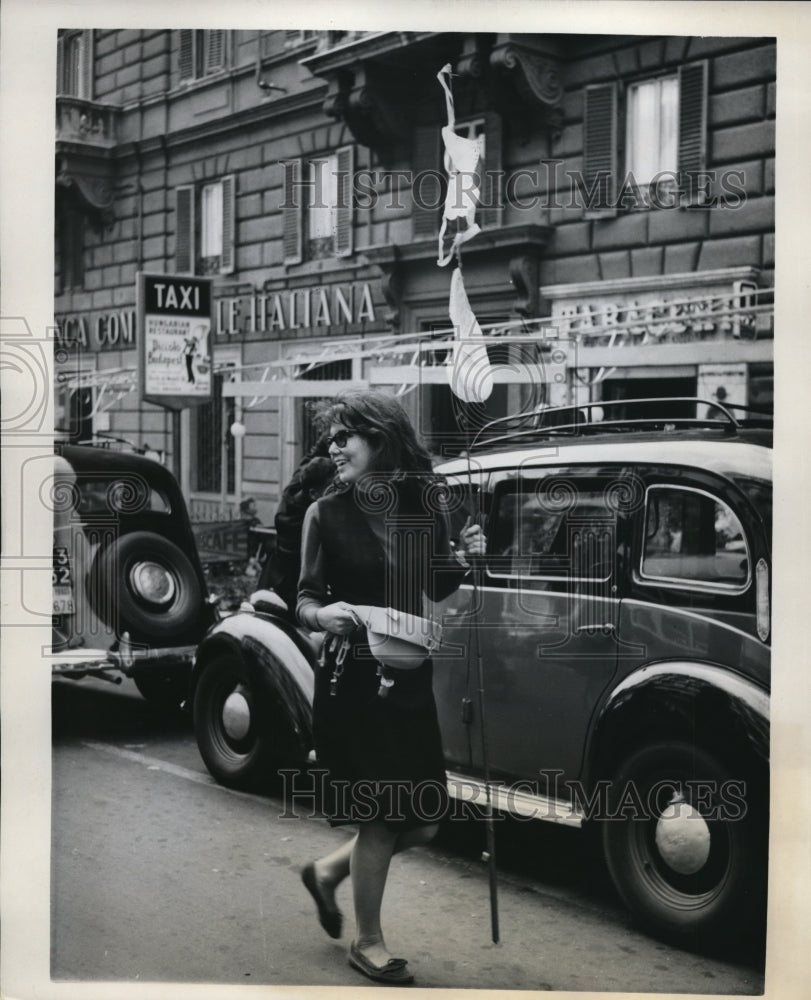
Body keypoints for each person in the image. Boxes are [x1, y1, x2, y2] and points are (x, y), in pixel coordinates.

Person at [296, 390, 485, 986]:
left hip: (408, 675)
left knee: (424, 820)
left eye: (344, 437)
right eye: (332, 439)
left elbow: (439, 586)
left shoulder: (418, 509)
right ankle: (368, 942)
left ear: (379, 439)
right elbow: (301, 596)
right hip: (352, 683)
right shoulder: (323, 514)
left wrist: (468, 556)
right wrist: (319, 617)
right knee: (381, 819)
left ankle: (328, 872)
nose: (333, 448)